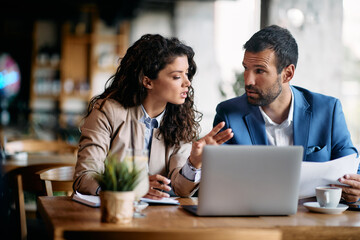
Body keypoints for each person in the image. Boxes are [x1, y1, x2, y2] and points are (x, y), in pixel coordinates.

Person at [73, 34, 233, 199]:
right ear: (147, 81)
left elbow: (180, 189)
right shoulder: (108, 112)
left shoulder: (179, 120)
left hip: (158, 218)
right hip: (112, 214)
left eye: (187, 74)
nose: (187, 83)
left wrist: (193, 163)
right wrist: (133, 188)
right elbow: (84, 177)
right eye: (177, 76)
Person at [213, 25, 360, 203]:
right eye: (246, 68)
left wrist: (355, 189)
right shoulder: (229, 115)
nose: (248, 80)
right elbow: (218, 182)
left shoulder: (328, 110)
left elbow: (351, 169)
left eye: (259, 70)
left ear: (287, 74)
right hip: (254, 220)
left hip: (315, 221)